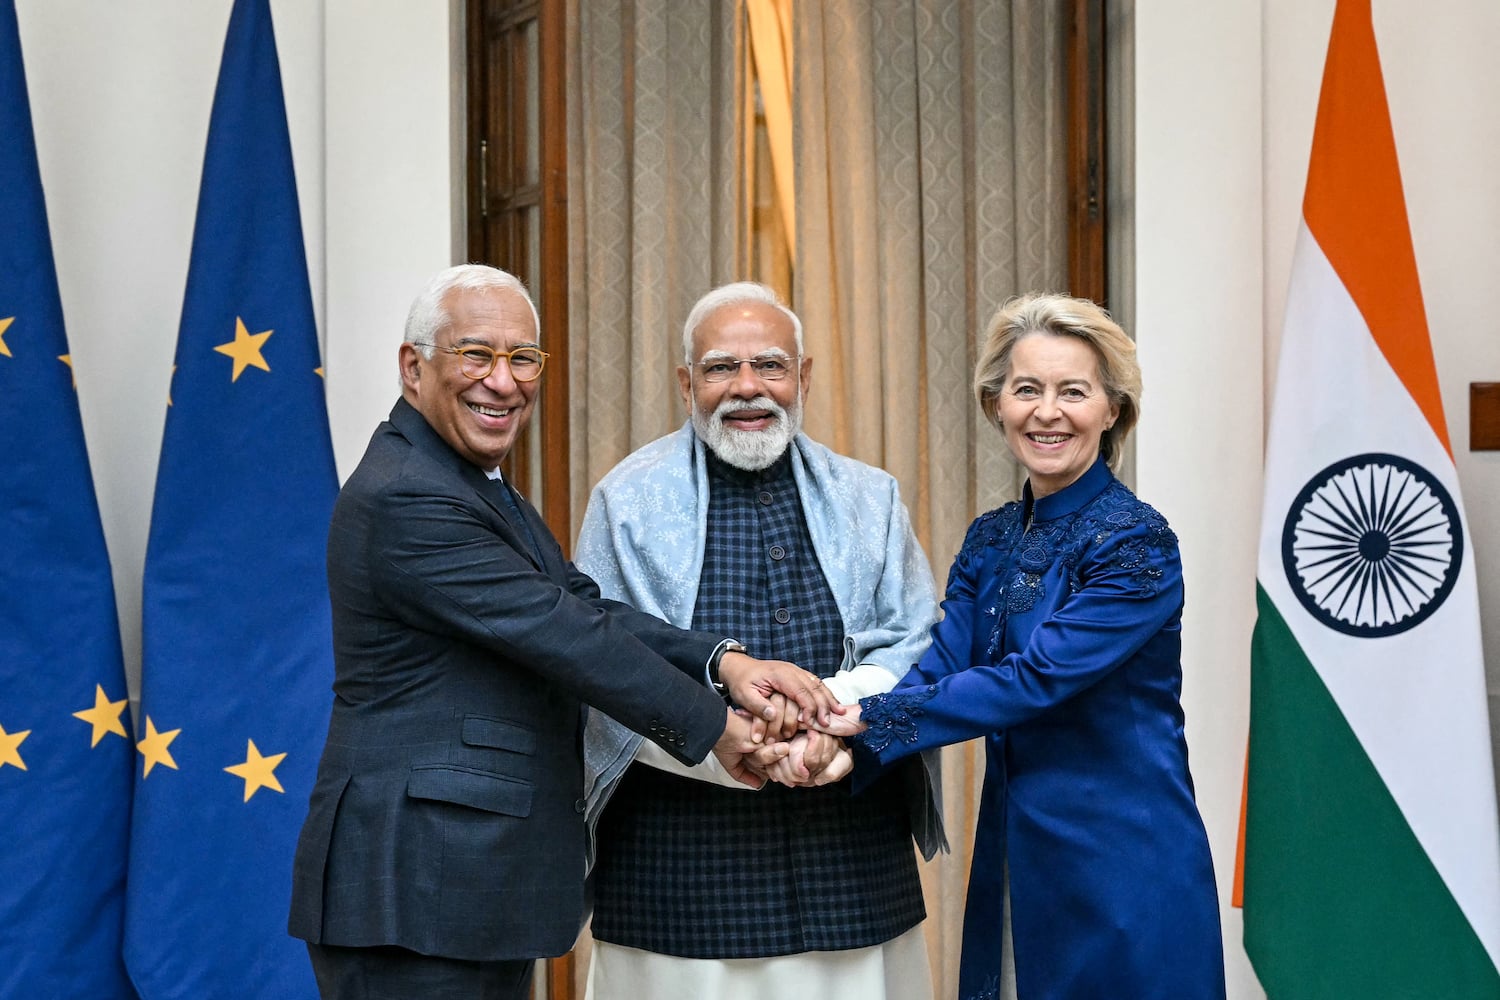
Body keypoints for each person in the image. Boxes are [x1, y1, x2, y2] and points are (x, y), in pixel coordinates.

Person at [287, 265, 837, 1000]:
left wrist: (725, 662)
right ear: (413, 368)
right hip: (413, 889)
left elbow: (583, 604)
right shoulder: (409, 494)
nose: (504, 381)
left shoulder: (465, 479)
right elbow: (564, 634)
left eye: (523, 358)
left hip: (464, 889)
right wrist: (717, 729)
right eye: (476, 354)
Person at [819, 293, 1226, 1000]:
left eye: (1074, 391)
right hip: (1017, 848)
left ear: (1112, 409)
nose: (1048, 412)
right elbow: (945, 662)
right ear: (996, 406)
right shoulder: (992, 535)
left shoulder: (1138, 541)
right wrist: (834, 720)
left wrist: (863, 728)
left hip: (1125, 859)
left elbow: (1032, 680)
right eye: (1027, 389)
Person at [574, 281, 946, 1000]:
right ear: (687, 384)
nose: (748, 388)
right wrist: (724, 737)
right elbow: (598, 663)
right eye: (721, 368)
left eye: (770, 365)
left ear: (802, 377)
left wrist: (836, 721)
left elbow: (916, 642)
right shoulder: (626, 500)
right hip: (678, 888)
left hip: (853, 876)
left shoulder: (871, 497)